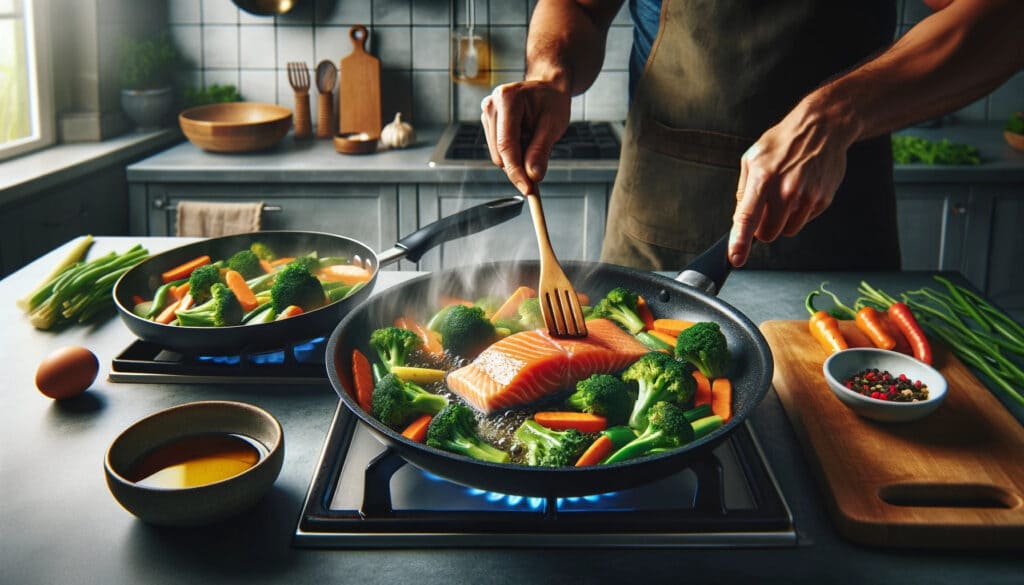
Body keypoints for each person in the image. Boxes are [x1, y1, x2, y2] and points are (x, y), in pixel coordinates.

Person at [480, 0, 1024, 271]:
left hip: (836, 221)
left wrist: (837, 113)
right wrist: (550, 75)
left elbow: (1004, 17)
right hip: (659, 219)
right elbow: (576, 7)